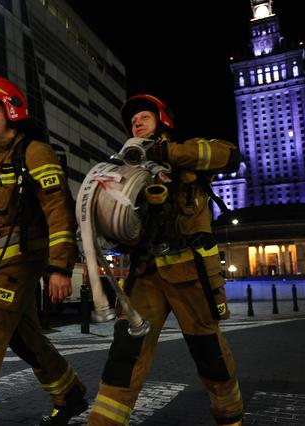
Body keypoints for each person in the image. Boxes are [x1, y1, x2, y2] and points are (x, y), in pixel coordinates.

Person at [87, 94, 244, 426]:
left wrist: (167, 153)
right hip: (145, 273)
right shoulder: (126, 170)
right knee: (125, 352)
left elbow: (229, 155)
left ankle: (229, 417)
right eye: (133, 121)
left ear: (162, 121)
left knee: (208, 351)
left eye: (144, 116)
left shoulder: (188, 152)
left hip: (189, 272)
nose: (137, 123)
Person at [0, 77, 88, 426]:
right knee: (26, 339)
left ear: (11, 112)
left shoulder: (35, 152)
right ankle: (70, 395)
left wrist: (60, 268)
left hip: (20, 264)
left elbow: (59, 210)